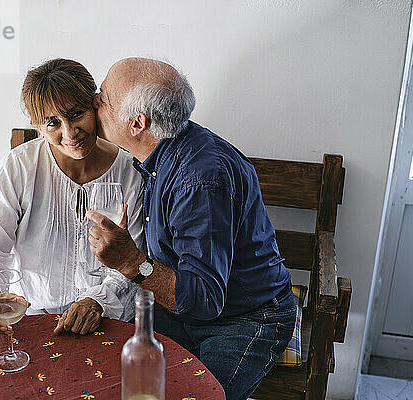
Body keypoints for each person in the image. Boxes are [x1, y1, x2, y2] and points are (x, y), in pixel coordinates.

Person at [86, 57, 296, 400]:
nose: (94, 101)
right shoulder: (162, 150)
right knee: (116, 384)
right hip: (180, 312)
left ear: (138, 123)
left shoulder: (199, 181)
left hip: (245, 318)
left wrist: (128, 261)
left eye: (103, 98)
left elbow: (205, 299)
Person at [0, 58, 143, 336]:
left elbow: (134, 260)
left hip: (106, 317)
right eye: (53, 122)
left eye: (77, 114)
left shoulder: (131, 172)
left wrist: (97, 302)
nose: (70, 133)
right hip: (32, 316)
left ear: (96, 106)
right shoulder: (18, 167)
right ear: (38, 126)